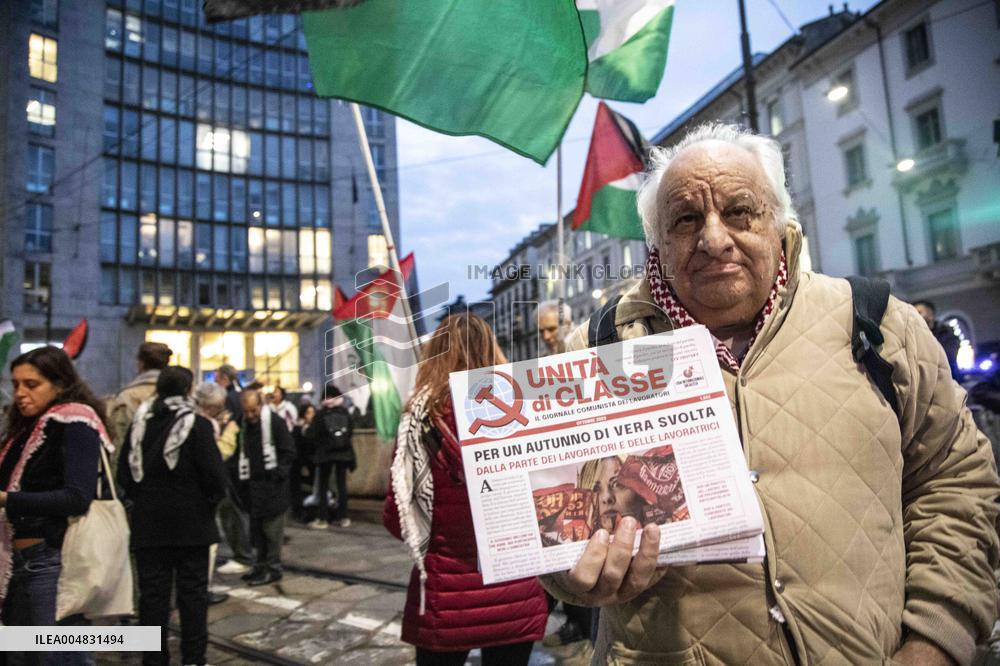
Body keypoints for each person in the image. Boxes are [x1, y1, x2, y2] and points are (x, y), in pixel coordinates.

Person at [540, 123, 1000, 665]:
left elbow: (954, 482)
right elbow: (557, 529)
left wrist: (935, 641)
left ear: (779, 222)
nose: (713, 239)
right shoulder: (596, 350)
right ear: (657, 242)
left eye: (739, 211)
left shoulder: (877, 323)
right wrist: (575, 578)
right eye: (686, 219)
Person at [385, 314, 548, 666]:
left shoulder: (419, 421)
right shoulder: (525, 409)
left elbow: (397, 518)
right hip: (516, 594)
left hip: (449, 598)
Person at [0, 346, 114, 666]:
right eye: (16, 384)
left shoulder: (75, 420)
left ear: (60, 384)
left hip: (53, 562)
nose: (20, 393)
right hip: (16, 564)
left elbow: (77, 496)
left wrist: (7, 499)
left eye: (31, 385)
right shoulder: (24, 428)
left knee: (60, 658)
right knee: (20, 657)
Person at [117, 367, 227, 666]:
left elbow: (124, 476)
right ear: (188, 389)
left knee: (152, 599)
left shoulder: (140, 424)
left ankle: (154, 660)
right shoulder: (198, 425)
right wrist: (204, 505)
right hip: (192, 527)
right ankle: (193, 658)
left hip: (148, 526)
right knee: (193, 596)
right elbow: (217, 480)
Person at [536, 301, 593, 649]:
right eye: (542, 330)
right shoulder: (545, 365)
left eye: (551, 329)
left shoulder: (583, 353)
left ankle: (582, 625)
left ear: (568, 323)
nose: (545, 336)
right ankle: (575, 623)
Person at [236, 389, 294, 586]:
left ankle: (273, 568)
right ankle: (259, 566)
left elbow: (288, 452)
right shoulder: (242, 424)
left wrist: (278, 474)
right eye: (247, 412)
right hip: (253, 486)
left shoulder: (275, 422)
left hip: (272, 487)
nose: (250, 416)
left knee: (272, 531)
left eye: (253, 411)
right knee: (257, 531)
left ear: (261, 405)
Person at [192, 381, 241, 604]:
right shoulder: (203, 424)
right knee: (206, 547)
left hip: (182, 494)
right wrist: (229, 433)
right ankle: (202, 590)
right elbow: (216, 455)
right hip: (200, 495)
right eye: (217, 407)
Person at [305, 384, 356, 529]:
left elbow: (312, 434)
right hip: (343, 453)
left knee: (323, 486)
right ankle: (343, 517)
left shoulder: (321, 414)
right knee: (341, 486)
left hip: (325, 454)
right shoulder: (344, 412)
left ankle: (323, 518)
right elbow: (350, 431)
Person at [109, 342, 172, 451]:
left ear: (141, 364)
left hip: (137, 460)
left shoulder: (127, 397)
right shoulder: (179, 393)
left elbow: (119, 439)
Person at [913, 300, 962, 380]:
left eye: (919, 312)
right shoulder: (913, 336)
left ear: (930, 315)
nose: (914, 316)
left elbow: (946, 357)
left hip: (948, 382)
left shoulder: (947, 334)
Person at [290, 402, 316, 524]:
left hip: (312, 463)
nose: (311, 415)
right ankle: (299, 512)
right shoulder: (298, 429)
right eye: (308, 413)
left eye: (312, 412)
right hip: (299, 464)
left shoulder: (315, 428)